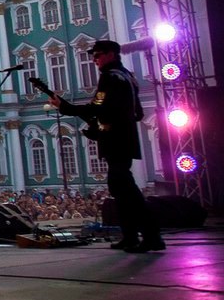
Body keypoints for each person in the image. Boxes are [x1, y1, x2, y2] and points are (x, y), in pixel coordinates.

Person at [48, 39, 163, 252]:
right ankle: (132, 236)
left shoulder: (110, 78)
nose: (94, 60)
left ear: (111, 54)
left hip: (114, 140)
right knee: (121, 189)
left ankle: (150, 236)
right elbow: (137, 112)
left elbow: (96, 107)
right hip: (125, 138)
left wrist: (65, 106)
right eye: (93, 56)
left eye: (98, 55)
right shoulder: (128, 76)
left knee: (126, 191)